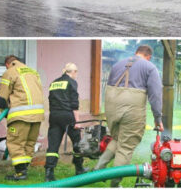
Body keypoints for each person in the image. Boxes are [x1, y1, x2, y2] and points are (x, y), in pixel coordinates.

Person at [94, 45, 164, 187]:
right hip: (131, 106)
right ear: (148, 56)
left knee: (118, 139)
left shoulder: (117, 65)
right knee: (126, 146)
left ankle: (98, 170)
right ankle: (115, 184)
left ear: (136, 53)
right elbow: (155, 96)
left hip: (111, 105)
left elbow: (107, 87)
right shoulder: (150, 67)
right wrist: (158, 119)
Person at [0, 55, 45, 181]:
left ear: (7, 64)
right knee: (29, 143)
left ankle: (20, 173)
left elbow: (1, 99)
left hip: (20, 116)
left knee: (15, 143)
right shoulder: (33, 72)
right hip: (37, 116)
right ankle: (24, 169)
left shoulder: (10, 72)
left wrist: (6, 114)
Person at [44, 63, 86, 182]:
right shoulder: (71, 82)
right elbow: (74, 103)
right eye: (76, 72)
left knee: (53, 144)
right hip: (67, 115)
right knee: (77, 142)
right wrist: (77, 122)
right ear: (73, 72)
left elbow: (50, 100)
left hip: (54, 116)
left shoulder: (54, 82)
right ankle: (79, 168)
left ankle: (49, 173)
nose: (76, 75)